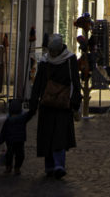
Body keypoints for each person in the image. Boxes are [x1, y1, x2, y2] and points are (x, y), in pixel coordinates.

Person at [29, 33, 81, 179]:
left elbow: (75, 82)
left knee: (58, 135)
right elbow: (38, 83)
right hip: (48, 104)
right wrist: (33, 103)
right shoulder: (46, 61)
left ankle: (57, 165)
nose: (52, 53)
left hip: (62, 105)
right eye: (50, 51)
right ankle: (51, 166)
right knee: (48, 136)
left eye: (53, 51)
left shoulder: (69, 60)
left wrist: (75, 103)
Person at [0, 97, 32, 175]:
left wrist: (1, 140)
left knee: (10, 154)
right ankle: (16, 168)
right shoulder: (22, 118)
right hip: (19, 140)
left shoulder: (9, 119)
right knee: (19, 155)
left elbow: (3, 131)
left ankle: (10, 167)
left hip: (11, 140)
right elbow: (30, 114)